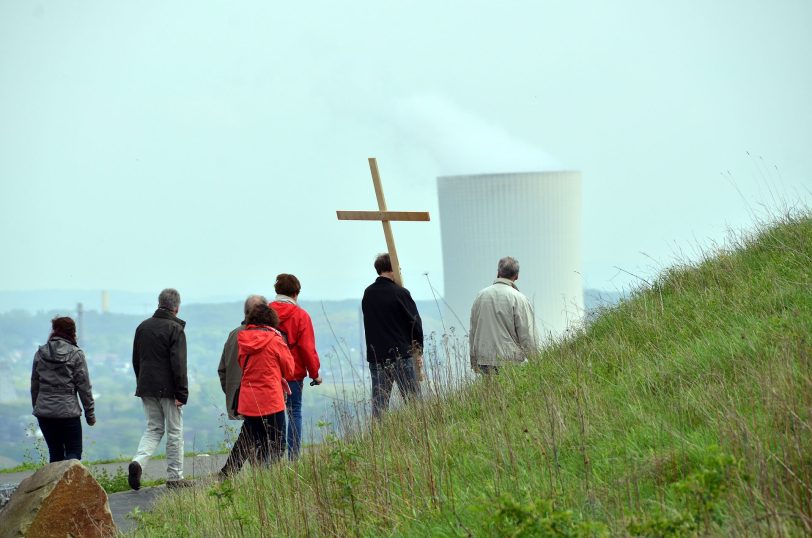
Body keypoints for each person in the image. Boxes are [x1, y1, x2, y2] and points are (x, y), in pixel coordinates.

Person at [128, 288, 192, 490]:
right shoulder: (175, 329)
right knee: (175, 432)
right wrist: (182, 392)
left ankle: (138, 462)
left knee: (154, 428)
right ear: (177, 307)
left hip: (146, 386)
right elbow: (178, 364)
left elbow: (136, 360)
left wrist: (142, 383)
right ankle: (175, 477)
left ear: (159, 303)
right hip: (169, 389)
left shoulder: (143, 327)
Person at [221, 303, 294, 475]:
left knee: (247, 439)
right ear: (272, 320)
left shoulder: (243, 340)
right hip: (271, 399)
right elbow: (289, 370)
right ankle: (269, 475)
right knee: (277, 441)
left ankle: (228, 473)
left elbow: (242, 364)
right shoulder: (276, 341)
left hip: (249, 398)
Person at [361, 253, 424, 419]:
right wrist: (418, 350)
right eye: (399, 268)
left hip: (377, 357)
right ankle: (418, 433)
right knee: (413, 402)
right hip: (401, 355)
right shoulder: (400, 293)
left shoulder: (368, 294)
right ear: (392, 269)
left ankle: (379, 440)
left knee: (379, 407)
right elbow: (415, 323)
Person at [270, 273, 322, 460]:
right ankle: (293, 457)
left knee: (272, 416)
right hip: (293, 373)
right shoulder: (301, 316)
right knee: (294, 413)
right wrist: (315, 373)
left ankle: (272, 458)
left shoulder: (265, 313)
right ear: (295, 293)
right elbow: (307, 348)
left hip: (269, 373)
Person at [30, 316, 96, 462]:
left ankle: (54, 484)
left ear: (54, 330)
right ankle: (70, 485)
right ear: (73, 331)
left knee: (55, 453)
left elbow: (35, 384)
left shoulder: (40, 353)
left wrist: (38, 406)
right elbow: (84, 386)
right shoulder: (76, 354)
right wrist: (89, 414)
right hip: (68, 412)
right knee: (74, 453)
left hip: (45, 412)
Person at [216, 294, 267, 477]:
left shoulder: (234, 335)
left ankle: (235, 472)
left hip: (239, 396)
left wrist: (232, 392)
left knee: (251, 432)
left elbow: (222, 369)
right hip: (263, 397)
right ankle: (232, 472)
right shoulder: (267, 336)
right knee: (262, 436)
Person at [469, 257, 539, 374]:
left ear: (498, 273)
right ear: (516, 276)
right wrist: (536, 362)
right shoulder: (519, 299)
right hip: (510, 361)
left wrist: (474, 360)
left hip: (484, 361)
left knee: (489, 392)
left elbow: (473, 331)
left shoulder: (480, 296)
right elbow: (527, 334)